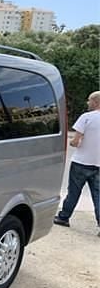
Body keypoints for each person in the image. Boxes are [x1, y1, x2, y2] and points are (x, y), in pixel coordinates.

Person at [54, 91, 100, 235]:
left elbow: (75, 140)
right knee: (98, 195)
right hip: (98, 164)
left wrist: (74, 143)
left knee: (73, 192)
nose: (88, 103)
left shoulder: (86, 118)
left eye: (89, 100)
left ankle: (64, 217)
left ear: (96, 102)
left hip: (81, 162)